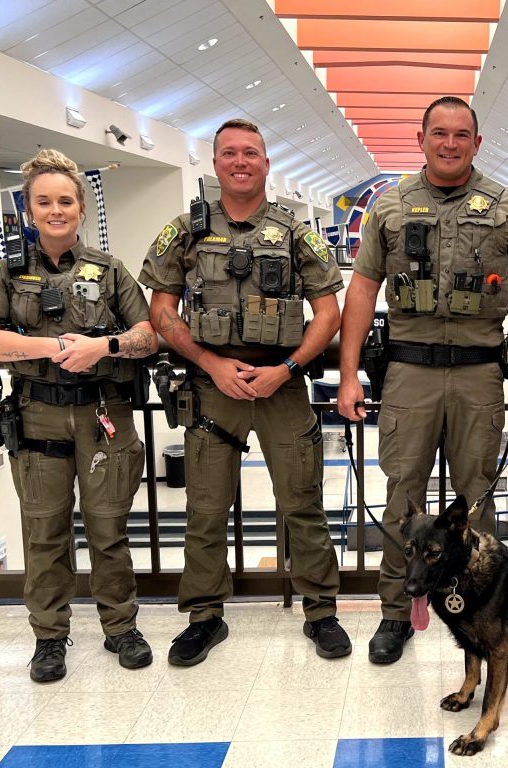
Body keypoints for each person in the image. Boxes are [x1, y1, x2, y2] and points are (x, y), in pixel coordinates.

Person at [337, 96, 508, 665]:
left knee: (475, 499)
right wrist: (350, 373)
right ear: (421, 138)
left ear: (477, 143)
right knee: (402, 496)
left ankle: (478, 609)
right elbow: (361, 290)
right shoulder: (390, 206)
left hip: (480, 371)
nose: (450, 143)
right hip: (409, 372)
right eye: (440, 133)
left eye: (462, 134)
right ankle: (393, 615)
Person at [139, 118, 351, 664]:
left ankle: (321, 610)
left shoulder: (297, 232)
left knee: (302, 503)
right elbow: (160, 311)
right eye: (229, 153)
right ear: (215, 164)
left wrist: (287, 367)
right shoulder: (183, 231)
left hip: (281, 386)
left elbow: (329, 313)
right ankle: (205, 617)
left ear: (266, 163)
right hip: (213, 388)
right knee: (205, 509)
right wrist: (210, 361)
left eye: (251, 153)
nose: (240, 161)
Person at [0, 149, 157, 683]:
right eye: (44, 202)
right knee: (45, 533)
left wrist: (104, 346)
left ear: (81, 207)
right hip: (38, 419)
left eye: (66, 201)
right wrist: (49, 347)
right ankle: (49, 637)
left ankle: (121, 627)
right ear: (29, 210)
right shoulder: (8, 272)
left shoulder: (111, 270)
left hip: (103, 414)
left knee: (108, 530)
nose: (56, 210)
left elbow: (148, 336)